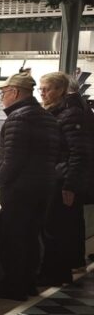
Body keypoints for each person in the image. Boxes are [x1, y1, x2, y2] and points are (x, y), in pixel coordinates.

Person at [0, 72, 61, 300]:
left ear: (15, 92)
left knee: (13, 239)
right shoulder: (47, 116)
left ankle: (13, 287)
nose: (2, 97)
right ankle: (28, 283)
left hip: (20, 190)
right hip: (44, 187)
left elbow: (13, 160)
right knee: (31, 236)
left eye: (4, 92)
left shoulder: (18, 118)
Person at [39, 72, 94, 284]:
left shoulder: (70, 114)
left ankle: (55, 274)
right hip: (61, 176)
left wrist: (70, 185)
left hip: (63, 180)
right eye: (41, 89)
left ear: (61, 90)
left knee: (56, 228)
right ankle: (65, 268)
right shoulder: (62, 111)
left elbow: (79, 152)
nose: (42, 93)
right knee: (63, 226)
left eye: (47, 89)